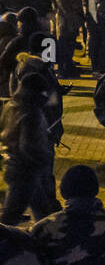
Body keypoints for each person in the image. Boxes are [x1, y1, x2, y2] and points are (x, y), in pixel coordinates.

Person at [0, 75, 58, 226]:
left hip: (16, 166)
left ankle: (46, 238)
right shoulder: (32, 112)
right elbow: (28, 146)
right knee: (9, 218)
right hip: (24, 170)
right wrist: (45, 158)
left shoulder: (11, 105)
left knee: (42, 211)